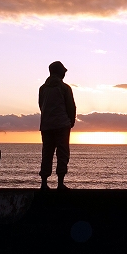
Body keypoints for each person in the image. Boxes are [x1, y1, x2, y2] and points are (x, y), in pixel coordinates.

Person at [38, 60, 77, 191]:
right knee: (63, 154)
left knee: (47, 153)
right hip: (62, 125)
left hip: (46, 126)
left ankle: (44, 183)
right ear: (60, 72)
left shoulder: (42, 88)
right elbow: (71, 107)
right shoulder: (65, 88)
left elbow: (41, 106)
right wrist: (71, 122)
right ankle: (60, 183)